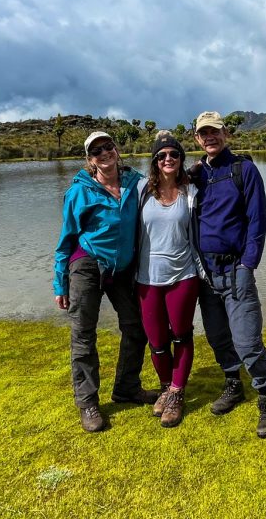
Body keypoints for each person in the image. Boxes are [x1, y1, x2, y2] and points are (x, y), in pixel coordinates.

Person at [53, 131, 159, 432]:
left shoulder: (133, 182)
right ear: (90, 160)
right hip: (87, 265)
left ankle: (127, 387)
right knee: (84, 335)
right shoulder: (79, 192)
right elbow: (66, 239)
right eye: (96, 151)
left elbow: (162, 181)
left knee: (136, 327)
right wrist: (60, 283)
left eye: (108, 147)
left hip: (122, 268)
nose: (104, 153)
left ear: (117, 149)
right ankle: (87, 402)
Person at [191, 111, 266, 438]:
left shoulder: (244, 170)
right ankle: (233, 384)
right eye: (204, 133)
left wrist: (248, 265)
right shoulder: (195, 175)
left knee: (247, 339)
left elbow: (259, 222)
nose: (209, 137)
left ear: (225, 133)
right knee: (217, 336)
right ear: (197, 139)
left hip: (235, 269)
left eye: (215, 131)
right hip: (204, 272)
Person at [135, 131, 205, 428]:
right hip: (147, 278)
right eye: (162, 155)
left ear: (181, 160)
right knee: (157, 340)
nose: (168, 159)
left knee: (181, 334)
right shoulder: (140, 190)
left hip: (184, 275)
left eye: (174, 155)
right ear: (154, 160)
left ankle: (176, 393)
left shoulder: (191, 192)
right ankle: (165, 385)